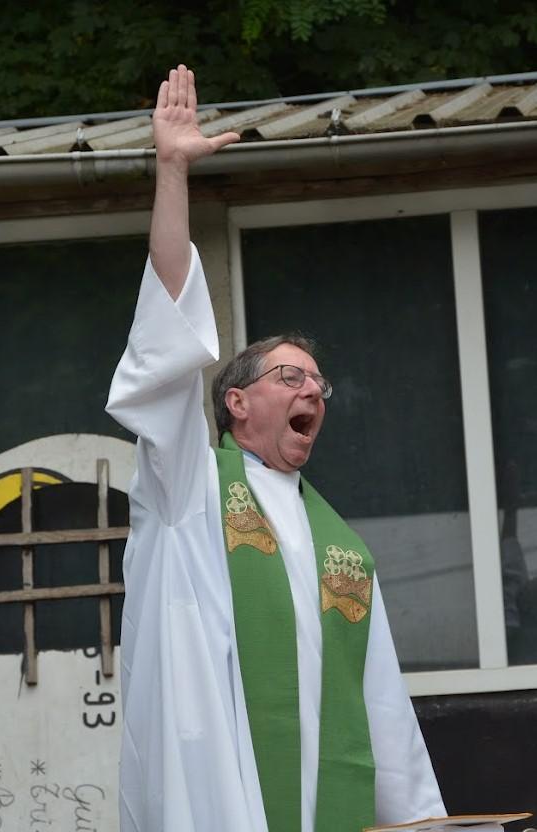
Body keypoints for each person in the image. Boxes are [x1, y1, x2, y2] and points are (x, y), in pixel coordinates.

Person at [106, 65, 456, 832]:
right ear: (235, 402)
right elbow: (169, 339)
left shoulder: (342, 551)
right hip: (220, 797)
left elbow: (381, 703)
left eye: (319, 387)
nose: (311, 392)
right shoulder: (187, 489)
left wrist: (421, 821)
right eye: (290, 375)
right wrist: (170, 171)